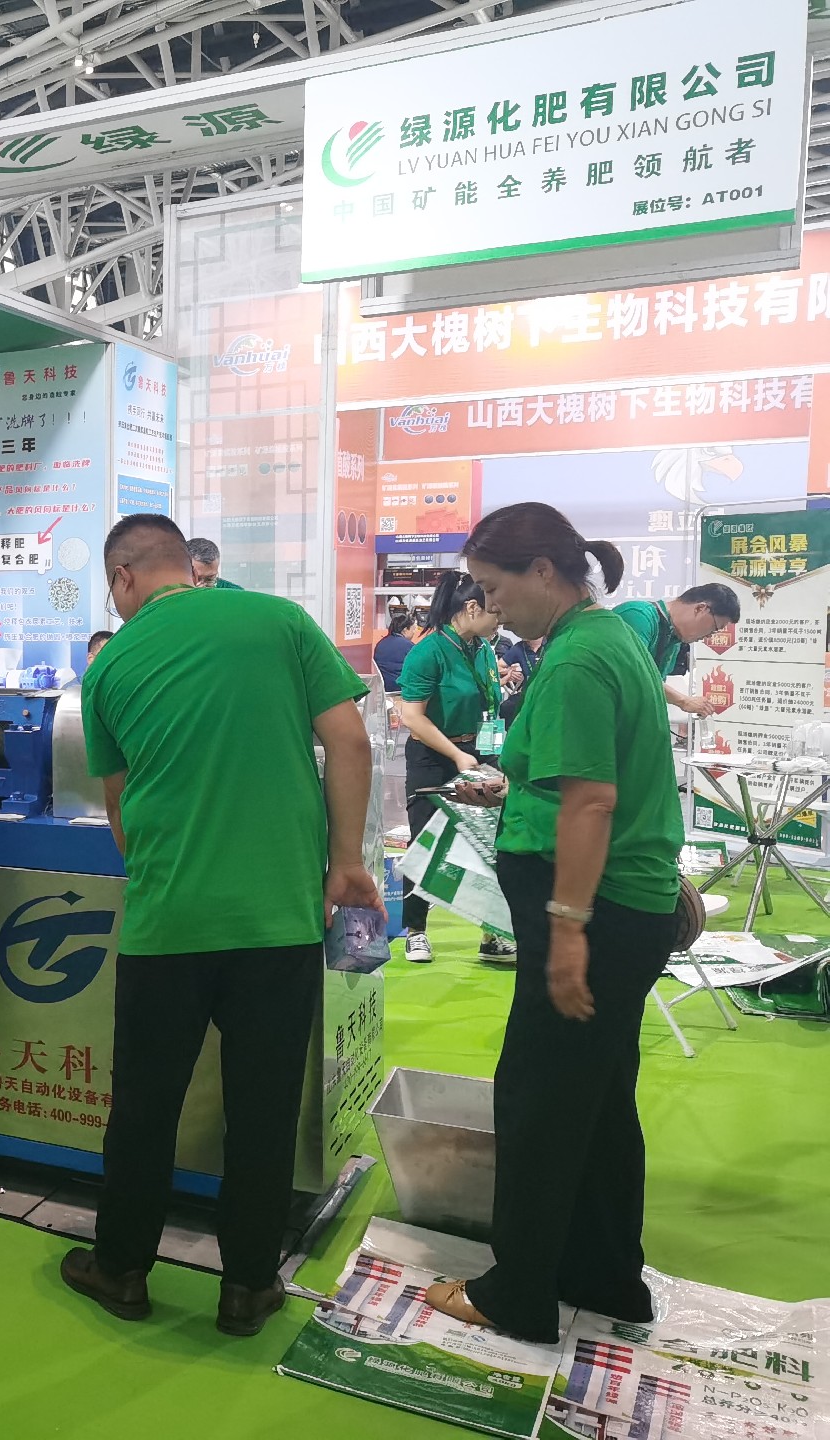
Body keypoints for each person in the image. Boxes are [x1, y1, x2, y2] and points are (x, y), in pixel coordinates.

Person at [60, 515, 378, 1339]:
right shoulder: (279, 621)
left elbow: (121, 809)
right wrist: (346, 860)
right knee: (263, 1110)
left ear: (124, 577)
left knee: (144, 1107)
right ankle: (247, 1286)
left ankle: (122, 1269)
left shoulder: (110, 664)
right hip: (279, 919)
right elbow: (350, 745)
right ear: (184, 564)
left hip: (168, 923)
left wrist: (168, 870)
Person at [425, 503, 683, 1344]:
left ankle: (520, 1292)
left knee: (538, 1100)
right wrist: (515, 788)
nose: (491, 608)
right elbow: (580, 779)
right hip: (623, 908)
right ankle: (606, 1277)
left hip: (594, 913)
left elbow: (594, 801)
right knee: (597, 1100)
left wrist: (568, 929)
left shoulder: (577, 658)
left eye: (496, 588)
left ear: (544, 571)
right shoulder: (606, 638)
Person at [394, 571, 511, 965]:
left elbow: (490, 705)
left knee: (491, 841)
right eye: (495, 612)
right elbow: (412, 717)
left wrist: (490, 758)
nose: (500, 619)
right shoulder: (427, 652)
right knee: (424, 841)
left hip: (478, 751)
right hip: (432, 756)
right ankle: (415, 931)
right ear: (472, 608)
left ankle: (493, 933)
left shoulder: (483, 649)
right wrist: (456, 755)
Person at [610, 584, 740, 718]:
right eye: (714, 628)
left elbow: (652, 685)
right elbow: (634, 674)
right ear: (700, 609)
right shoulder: (638, 616)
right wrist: (683, 701)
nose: (709, 636)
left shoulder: (674, 639)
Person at [373, 609, 414, 693]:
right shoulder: (408, 646)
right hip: (401, 688)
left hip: (383, 687)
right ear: (405, 630)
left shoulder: (380, 644)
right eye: (412, 630)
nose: (413, 633)